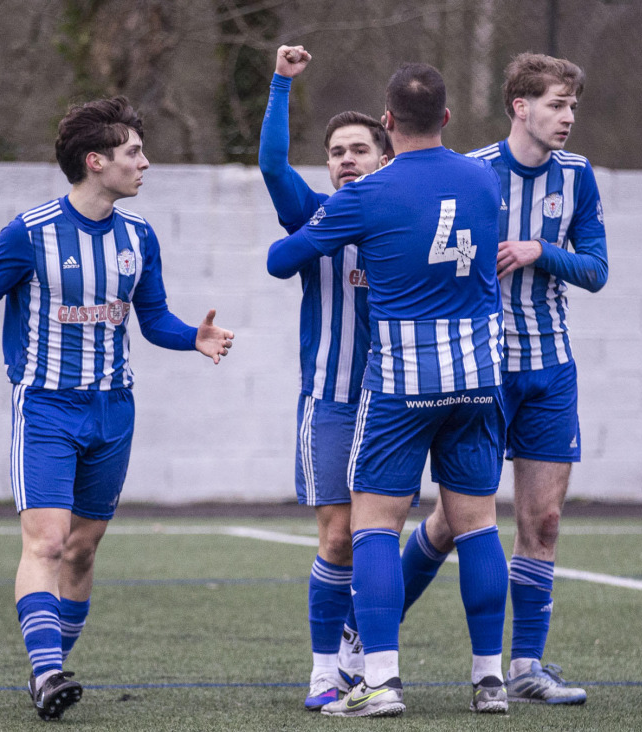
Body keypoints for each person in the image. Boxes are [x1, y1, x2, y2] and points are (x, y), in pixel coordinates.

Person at [0, 97, 234, 721]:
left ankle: (50, 669)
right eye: (134, 153)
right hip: (48, 410)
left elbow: (153, 319)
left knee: (81, 551)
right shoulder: (30, 232)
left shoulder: (140, 236)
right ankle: (48, 672)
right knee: (47, 544)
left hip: (114, 414)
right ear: (95, 161)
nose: (146, 163)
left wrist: (195, 336)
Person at [268, 62, 509, 718]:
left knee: (374, 524)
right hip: (479, 377)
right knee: (478, 524)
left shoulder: (369, 195)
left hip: (404, 383)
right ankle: (490, 681)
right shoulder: (484, 179)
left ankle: (380, 679)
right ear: (449, 119)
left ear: (388, 122)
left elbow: (280, 260)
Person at [399, 52, 608, 706]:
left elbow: (598, 269)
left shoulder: (576, 178)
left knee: (542, 521)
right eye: (555, 104)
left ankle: (525, 665)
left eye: (572, 105)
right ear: (520, 107)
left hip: (549, 373)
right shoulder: (474, 172)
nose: (567, 117)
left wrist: (539, 251)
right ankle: (368, 632)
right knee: (453, 523)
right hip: (483, 371)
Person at [258, 44, 394, 711]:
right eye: (337, 150)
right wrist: (283, 83)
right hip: (331, 404)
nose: (346, 158)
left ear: (384, 158)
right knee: (337, 536)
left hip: (397, 405)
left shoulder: (402, 221)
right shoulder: (311, 213)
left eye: (359, 149)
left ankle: (367, 656)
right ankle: (322, 671)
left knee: (381, 538)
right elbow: (271, 165)